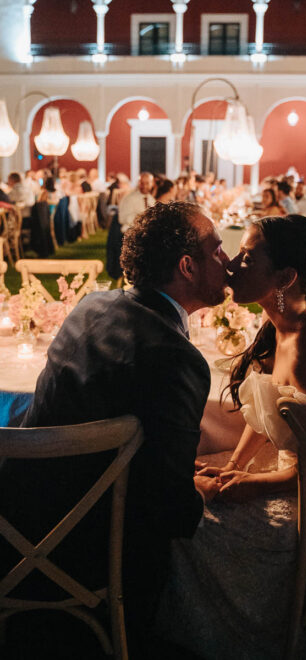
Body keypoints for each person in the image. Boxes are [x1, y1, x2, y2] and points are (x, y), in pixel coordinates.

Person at [156, 215, 306, 659]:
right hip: (305, 471)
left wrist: (254, 487)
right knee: (197, 495)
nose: (230, 265)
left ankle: (255, 639)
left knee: (197, 522)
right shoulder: (281, 323)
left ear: (285, 277)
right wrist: (235, 466)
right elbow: (268, 409)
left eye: (247, 258)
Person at [13, 201, 229, 658]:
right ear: (187, 266)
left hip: (17, 507)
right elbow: (171, 509)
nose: (228, 261)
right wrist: (200, 492)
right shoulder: (175, 356)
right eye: (218, 250)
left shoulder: (93, 304)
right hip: (86, 544)